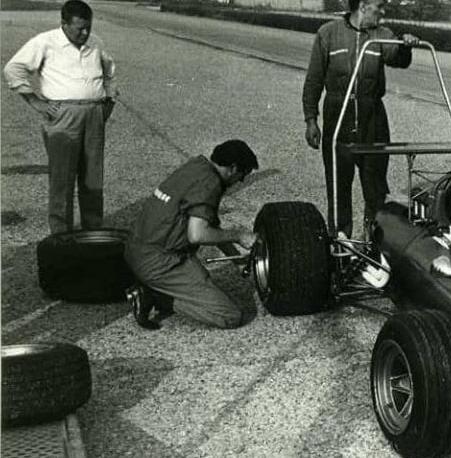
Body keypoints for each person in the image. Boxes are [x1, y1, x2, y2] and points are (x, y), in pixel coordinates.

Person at [302, 0, 420, 239]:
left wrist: (406, 46)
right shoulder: (328, 34)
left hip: (373, 118)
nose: (383, 11)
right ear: (364, 6)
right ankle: (340, 243)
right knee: (338, 187)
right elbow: (314, 80)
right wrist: (311, 119)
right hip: (338, 116)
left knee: (375, 189)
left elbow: (398, 59)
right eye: (379, 6)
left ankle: (374, 243)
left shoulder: (382, 35)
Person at [3, 0, 118, 234]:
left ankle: (92, 231)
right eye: (79, 28)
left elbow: (110, 73)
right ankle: (61, 236)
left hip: (94, 114)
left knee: (93, 178)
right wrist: (36, 102)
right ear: (64, 24)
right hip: (63, 116)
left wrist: (108, 102)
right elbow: (13, 69)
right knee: (62, 180)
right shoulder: (45, 42)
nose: (85, 33)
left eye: (88, 27)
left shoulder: (96, 43)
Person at [124, 140, 259, 330]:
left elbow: (211, 223)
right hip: (160, 262)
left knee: (202, 280)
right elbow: (197, 234)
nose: (240, 182)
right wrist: (239, 236)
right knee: (229, 316)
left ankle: (156, 286)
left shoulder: (197, 167)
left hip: (136, 249)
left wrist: (238, 261)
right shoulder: (210, 184)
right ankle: (154, 296)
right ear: (233, 168)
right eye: (242, 176)